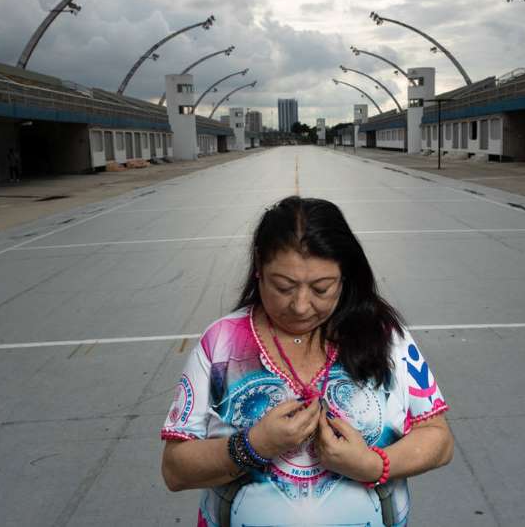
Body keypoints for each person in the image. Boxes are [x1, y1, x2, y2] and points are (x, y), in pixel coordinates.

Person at [161, 196, 453, 527]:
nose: (301, 306)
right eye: (283, 287)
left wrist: (371, 465)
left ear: (345, 275)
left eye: (321, 288)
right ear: (258, 268)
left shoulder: (383, 335)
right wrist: (252, 446)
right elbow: (175, 470)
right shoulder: (221, 342)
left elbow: (438, 438)